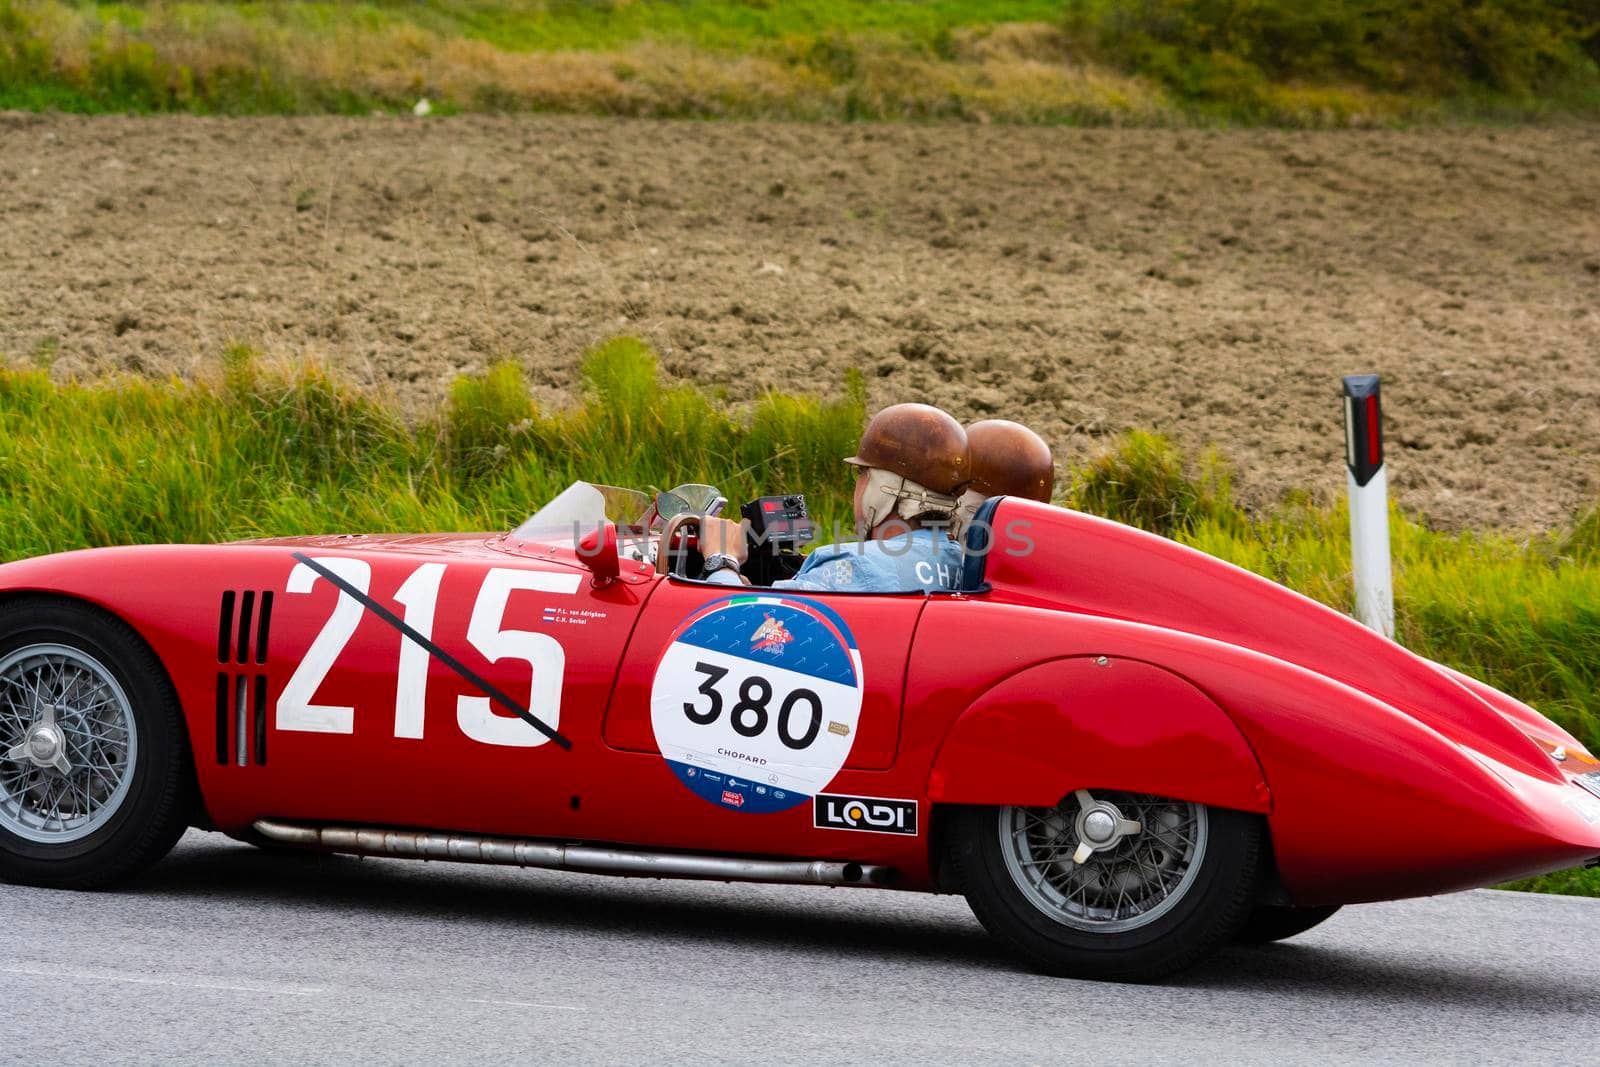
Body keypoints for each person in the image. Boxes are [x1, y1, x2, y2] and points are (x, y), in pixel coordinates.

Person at [697, 403, 972, 591]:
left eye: (862, 474)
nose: (858, 485)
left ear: (883, 489)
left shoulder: (855, 567)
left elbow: (750, 623)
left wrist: (721, 560)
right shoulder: (960, 562)